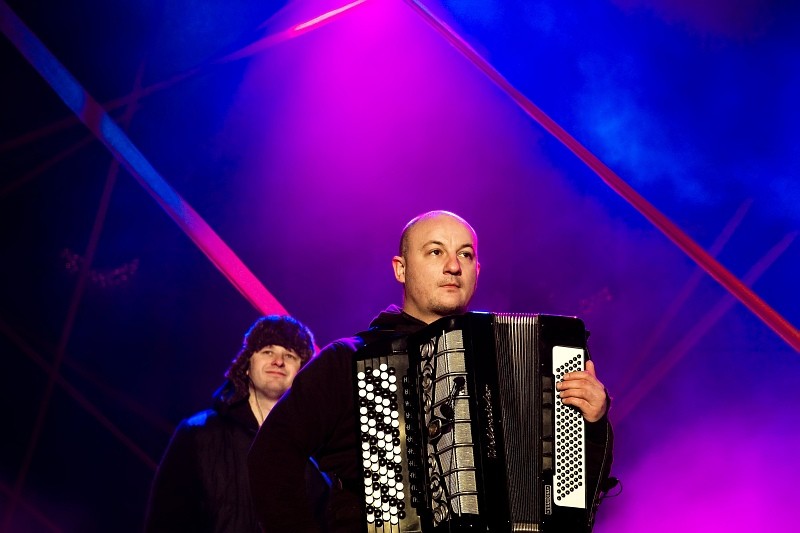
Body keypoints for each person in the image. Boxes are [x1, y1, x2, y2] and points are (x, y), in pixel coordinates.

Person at [247, 210, 614, 532]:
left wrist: (594, 423)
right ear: (401, 269)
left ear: (477, 271)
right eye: (435, 251)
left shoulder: (525, 355)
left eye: (465, 255)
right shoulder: (349, 359)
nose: (453, 266)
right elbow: (272, 454)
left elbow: (571, 497)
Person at [144, 315, 318, 532]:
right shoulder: (198, 433)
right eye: (268, 351)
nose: (278, 361)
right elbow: (165, 522)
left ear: (302, 372)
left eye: (290, 355)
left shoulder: (317, 450)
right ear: (247, 365)